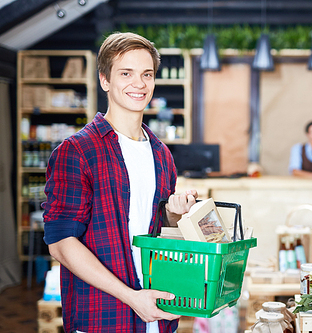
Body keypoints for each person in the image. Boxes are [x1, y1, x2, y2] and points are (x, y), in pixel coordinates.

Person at [42, 32, 198, 333]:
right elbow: (60, 244)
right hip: (105, 318)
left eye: (147, 74)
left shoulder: (162, 154)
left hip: (159, 314)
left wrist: (173, 215)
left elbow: (152, 228)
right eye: (126, 73)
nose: (139, 84)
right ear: (105, 81)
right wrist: (132, 298)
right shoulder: (78, 151)